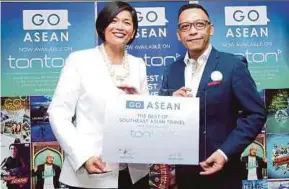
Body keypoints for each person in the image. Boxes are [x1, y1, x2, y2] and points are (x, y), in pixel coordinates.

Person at [159, 3, 266, 189]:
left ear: (211, 29)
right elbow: (161, 119)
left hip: (224, 172)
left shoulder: (232, 65)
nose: (192, 31)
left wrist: (225, 153)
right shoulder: (172, 70)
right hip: (184, 176)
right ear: (179, 35)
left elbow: (256, 114)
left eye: (199, 24)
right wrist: (169, 104)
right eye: (185, 27)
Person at [47, 1, 149, 189]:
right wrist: (83, 155)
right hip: (94, 167)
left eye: (127, 22)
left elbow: (145, 117)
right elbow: (58, 113)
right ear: (103, 26)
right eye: (114, 20)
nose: (120, 26)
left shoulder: (138, 65)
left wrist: (148, 103)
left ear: (133, 32)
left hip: (134, 172)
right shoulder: (80, 60)